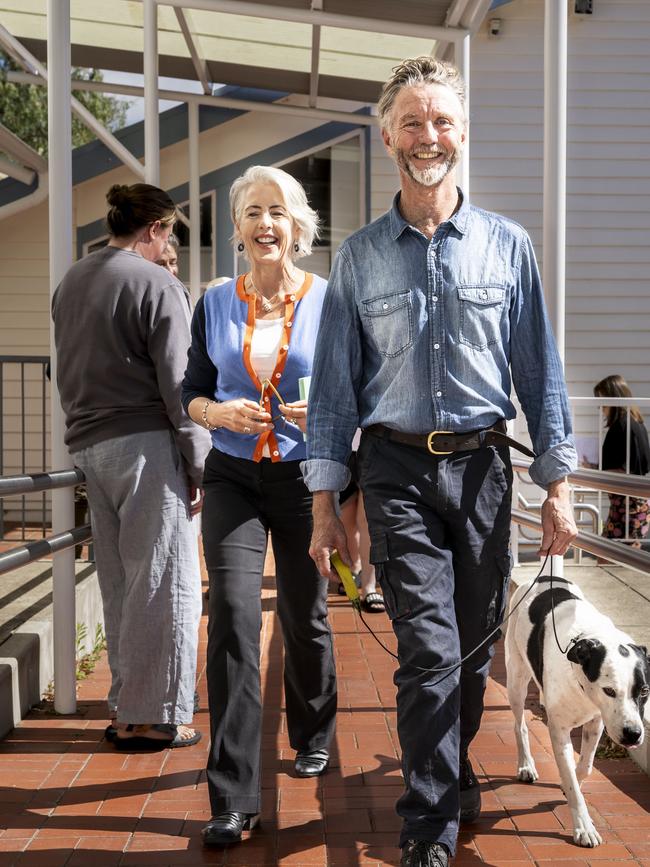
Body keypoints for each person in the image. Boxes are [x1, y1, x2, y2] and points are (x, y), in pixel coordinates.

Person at [303, 57, 578, 867]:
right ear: (388, 136)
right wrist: (326, 502)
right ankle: (429, 825)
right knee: (426, 647)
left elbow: (542, 375)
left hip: (488, 471)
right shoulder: (358, 259)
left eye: (444, 121)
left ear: (462, 132)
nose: (431, 137)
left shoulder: (508, 246)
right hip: (395, 471)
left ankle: (451, 772)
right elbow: (333, 397)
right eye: (414, 123)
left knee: (471, 647)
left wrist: (557, 488)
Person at [181, 165, 337, 848]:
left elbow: (356, 387)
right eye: (252, 212)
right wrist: (217, 410)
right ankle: (234, 796)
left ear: (297, 227)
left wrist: (327, 410)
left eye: (277, 211)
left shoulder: (329, 300)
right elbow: (189, 389)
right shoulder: (214, 302)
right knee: (235, 620)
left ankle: (314, 731)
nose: (265, 223)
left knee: (305, 612)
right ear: (238, 229)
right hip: (233, 477)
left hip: (306, 477)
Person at [52, 183, 210, 750]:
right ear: (154, 230)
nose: (169, 244)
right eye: (168, 233)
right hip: (146, 444)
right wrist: (199, 463)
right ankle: (154, 717)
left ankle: (127, 703)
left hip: (90, 446)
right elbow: (180, 386)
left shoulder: (72, 280)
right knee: (165, 581)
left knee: (120, 582)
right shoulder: (157, 282)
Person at [594, 374, 650, 543]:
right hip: (632, 502)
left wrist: (596, 471)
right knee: (621, 552)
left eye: (602, 400)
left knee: (612, 552)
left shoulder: (623, 426)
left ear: (614, 398)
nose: (600, 407)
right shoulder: (635, 423)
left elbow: (625, 469)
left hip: (628, 504)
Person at [338, 451, 384, 613]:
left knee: (367, 521)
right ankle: (354, 567)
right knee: (346, 520)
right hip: (343, 450)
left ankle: (369, 587)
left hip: (374, 447)